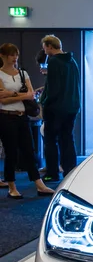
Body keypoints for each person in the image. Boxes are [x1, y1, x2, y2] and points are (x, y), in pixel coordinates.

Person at [0, 43, 54, 199]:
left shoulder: (23, 74)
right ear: (3, 56)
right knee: (11, 153)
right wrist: (19, 95)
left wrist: (11, 94)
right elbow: (2, 101)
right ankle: (11, 185)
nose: (14, 57)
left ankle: (38, 183)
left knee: (29, 151)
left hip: (22, 116)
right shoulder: (0, 74)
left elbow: (30, 95)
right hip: (5, 116)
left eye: (16, 54)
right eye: (11, 55)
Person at [40, 35, 81, 182]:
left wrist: (43, 100)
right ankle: (70, 172)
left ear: (50, 46)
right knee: (67, 139)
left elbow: (53, 89)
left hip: (55, 108)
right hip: (72, 107)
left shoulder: (54, 62)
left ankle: (52, 172)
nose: (44, 51)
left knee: (50, 140)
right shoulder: (72, 61)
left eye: (44, 47)